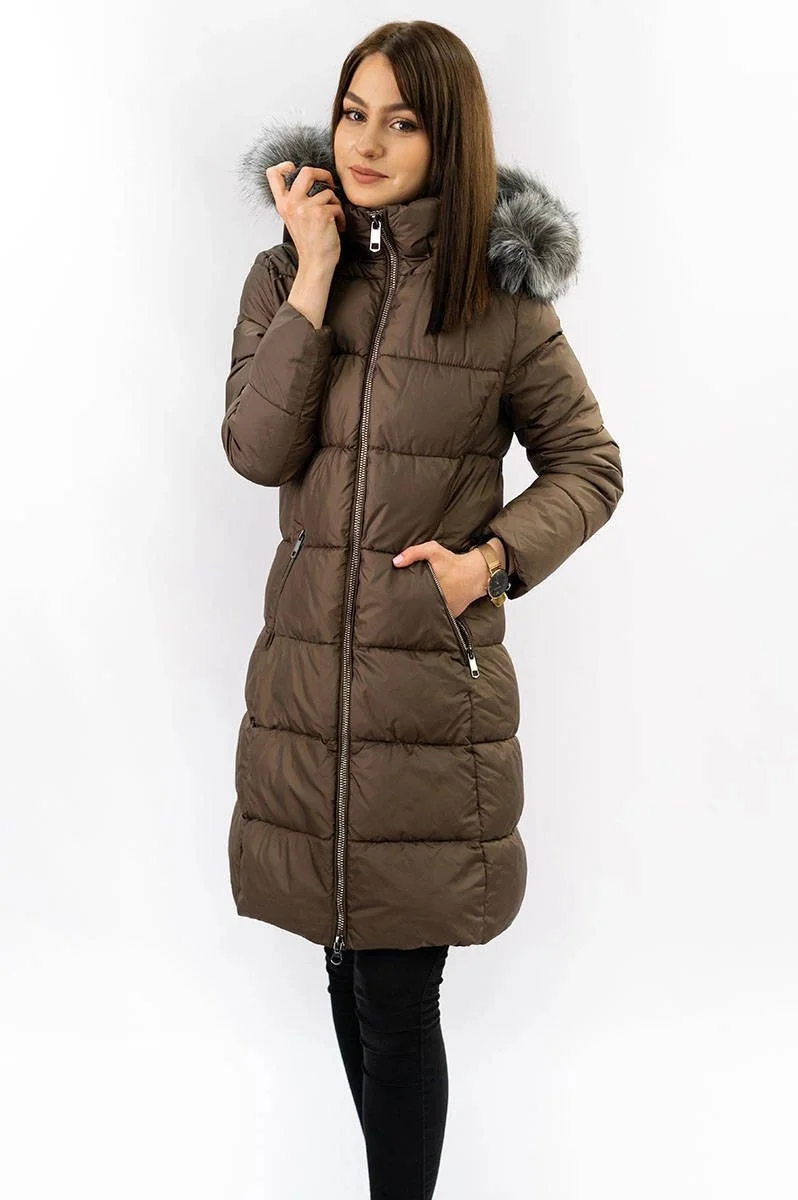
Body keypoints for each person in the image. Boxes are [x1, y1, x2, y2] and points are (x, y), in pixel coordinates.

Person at [222, 19, 624, 1200]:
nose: (367, 141)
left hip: (425, 702)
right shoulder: (283, 275)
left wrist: (488, 561)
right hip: (309, 695)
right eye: (354, 113)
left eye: (402, 121)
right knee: (348, 973)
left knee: (398, 1003)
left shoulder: (501, 302)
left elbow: (590, 466)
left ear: (451, 140)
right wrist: (310, 275)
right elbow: (256, 449)